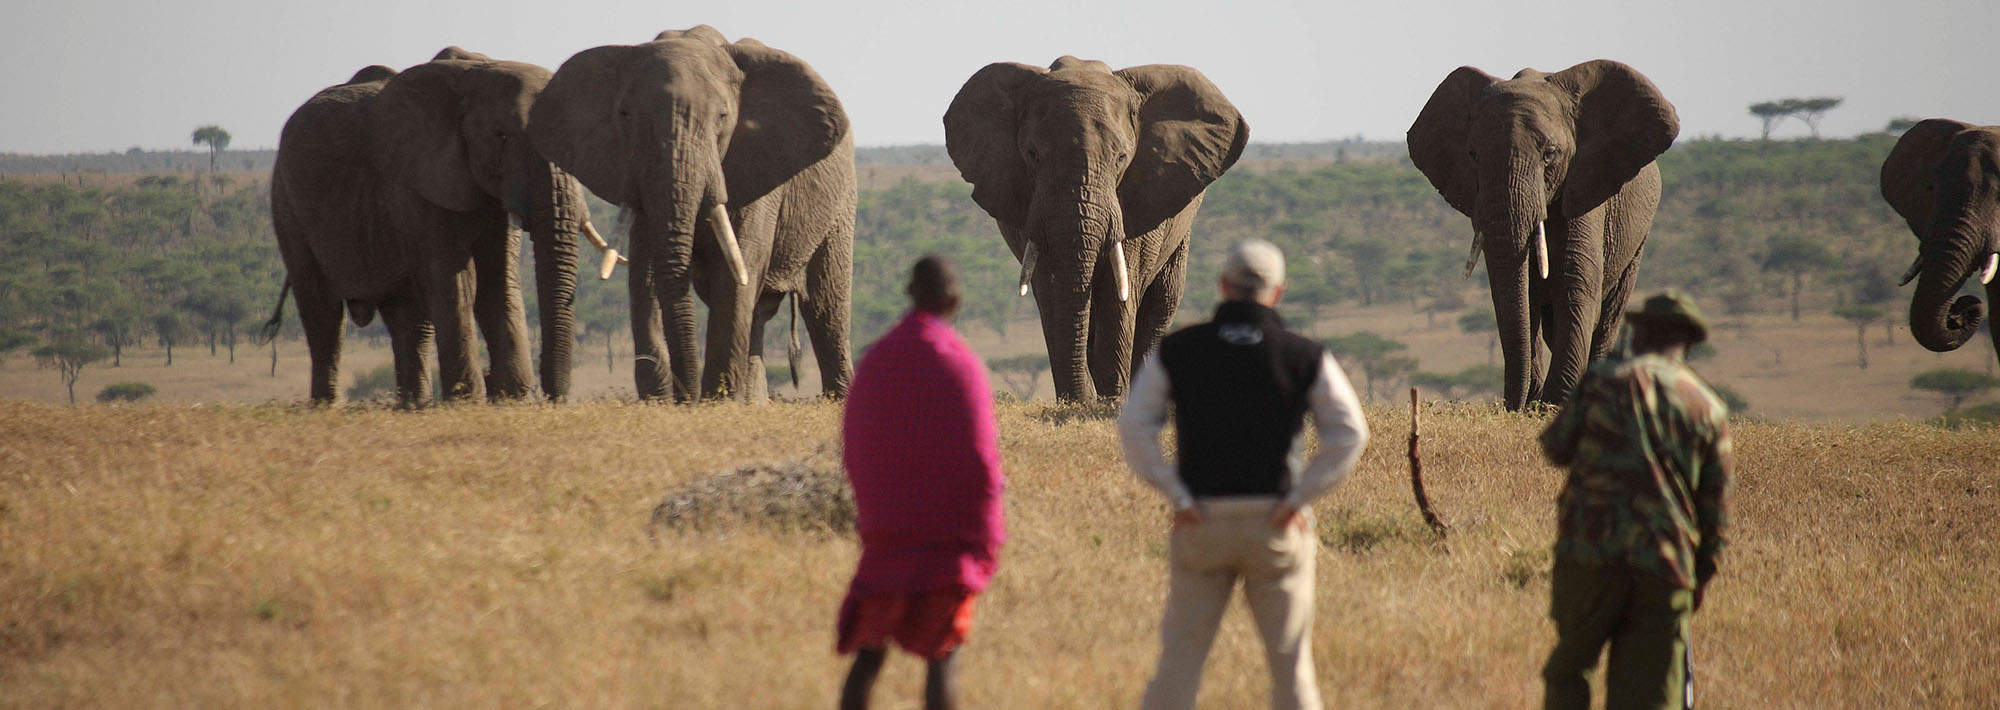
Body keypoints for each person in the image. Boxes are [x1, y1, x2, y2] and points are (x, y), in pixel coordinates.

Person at [1118, 239, 1370, 710]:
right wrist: (1298, 500)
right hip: (1274, 523)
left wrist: (1177, 495)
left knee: (1177, 669)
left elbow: (1134, 424)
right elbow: (1350, 433)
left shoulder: (1178, 349)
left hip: (1201, 521)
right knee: (1292, 672)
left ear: (1223, 287)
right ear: (1277, 293)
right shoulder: (1303, 354)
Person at [1537, 291, 1734, 710]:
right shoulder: (1708, 408)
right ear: (1687, 342)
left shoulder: (1602, 381)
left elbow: (1554, 448)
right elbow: (1715, 516)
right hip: (1664, 567)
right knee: (1650, 696)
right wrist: (1697, 577)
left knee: (1568, 671)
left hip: (1591, 556)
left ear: (1638, 333)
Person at [836, 255, 1005, 710]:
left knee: (868, 656)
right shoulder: (962, 365)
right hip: (946, 543)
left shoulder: (876, 360)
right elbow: (982, 463)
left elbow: (853, 447)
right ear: (954, 300)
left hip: (887, 538)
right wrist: (987, 538)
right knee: (942, 657)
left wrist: (873, 519)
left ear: (910, 296)